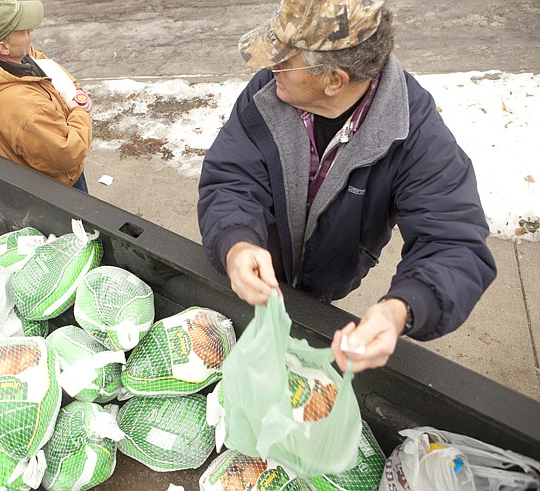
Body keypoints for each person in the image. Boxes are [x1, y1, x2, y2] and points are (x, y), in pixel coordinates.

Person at [197, 0, 497, 373]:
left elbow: (455, 244)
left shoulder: (414, 133)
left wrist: (400, 309)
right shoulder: (267, 93)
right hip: (260, 264)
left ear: (334, 80)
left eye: (284, 59)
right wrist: (236, 242)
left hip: (331, 275)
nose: (269, 66)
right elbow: (231, 176)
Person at [0, 0, 92, 191]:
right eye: (23, 31)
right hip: (59, 185)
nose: (30, 31)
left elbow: (40, 61)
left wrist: (73, 87)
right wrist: (80, 111)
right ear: (2, 48)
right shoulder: (26, 108)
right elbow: (68, 152)